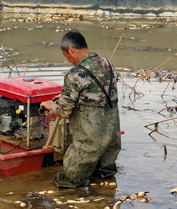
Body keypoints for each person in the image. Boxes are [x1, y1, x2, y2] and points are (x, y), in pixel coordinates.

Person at [41, 31, 121, 187]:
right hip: (110, 139)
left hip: (89, 142)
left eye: (66, 56)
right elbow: (99, 94)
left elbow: (62, 111)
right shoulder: (107, 64)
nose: (69, 61)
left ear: (71, 49)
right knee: (105, 181)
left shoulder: (75, 74)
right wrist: (69, 96)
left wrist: (50, 105)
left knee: (65, 183)